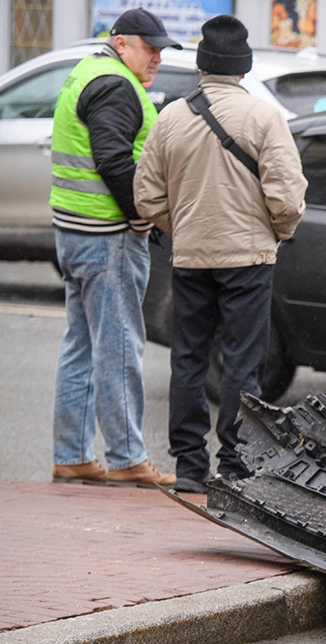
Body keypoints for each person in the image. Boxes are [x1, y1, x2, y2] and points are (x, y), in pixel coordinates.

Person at [135, 15, 307, 493]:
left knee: (187, 360)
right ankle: (236, 464)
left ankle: (189, 466)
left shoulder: (171, 117)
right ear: (243, 69)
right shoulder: (263, 117)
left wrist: (184, 229)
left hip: (190, 258)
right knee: (241, 363)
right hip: (248, 261)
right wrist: (275, 232)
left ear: (202, 66)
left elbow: (146, 197)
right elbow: (287, 198)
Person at [49, 8, 179, 487]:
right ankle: (126, 458)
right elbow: (112, 160)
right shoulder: (116, 85)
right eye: (150, 48)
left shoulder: (87, 72)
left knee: (80, 346)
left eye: (162, 49)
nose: (157, 58)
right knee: (119, 347)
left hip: (74, 232)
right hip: (107, 238)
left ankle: (72, 455)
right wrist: (140, 216)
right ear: (121, 42)